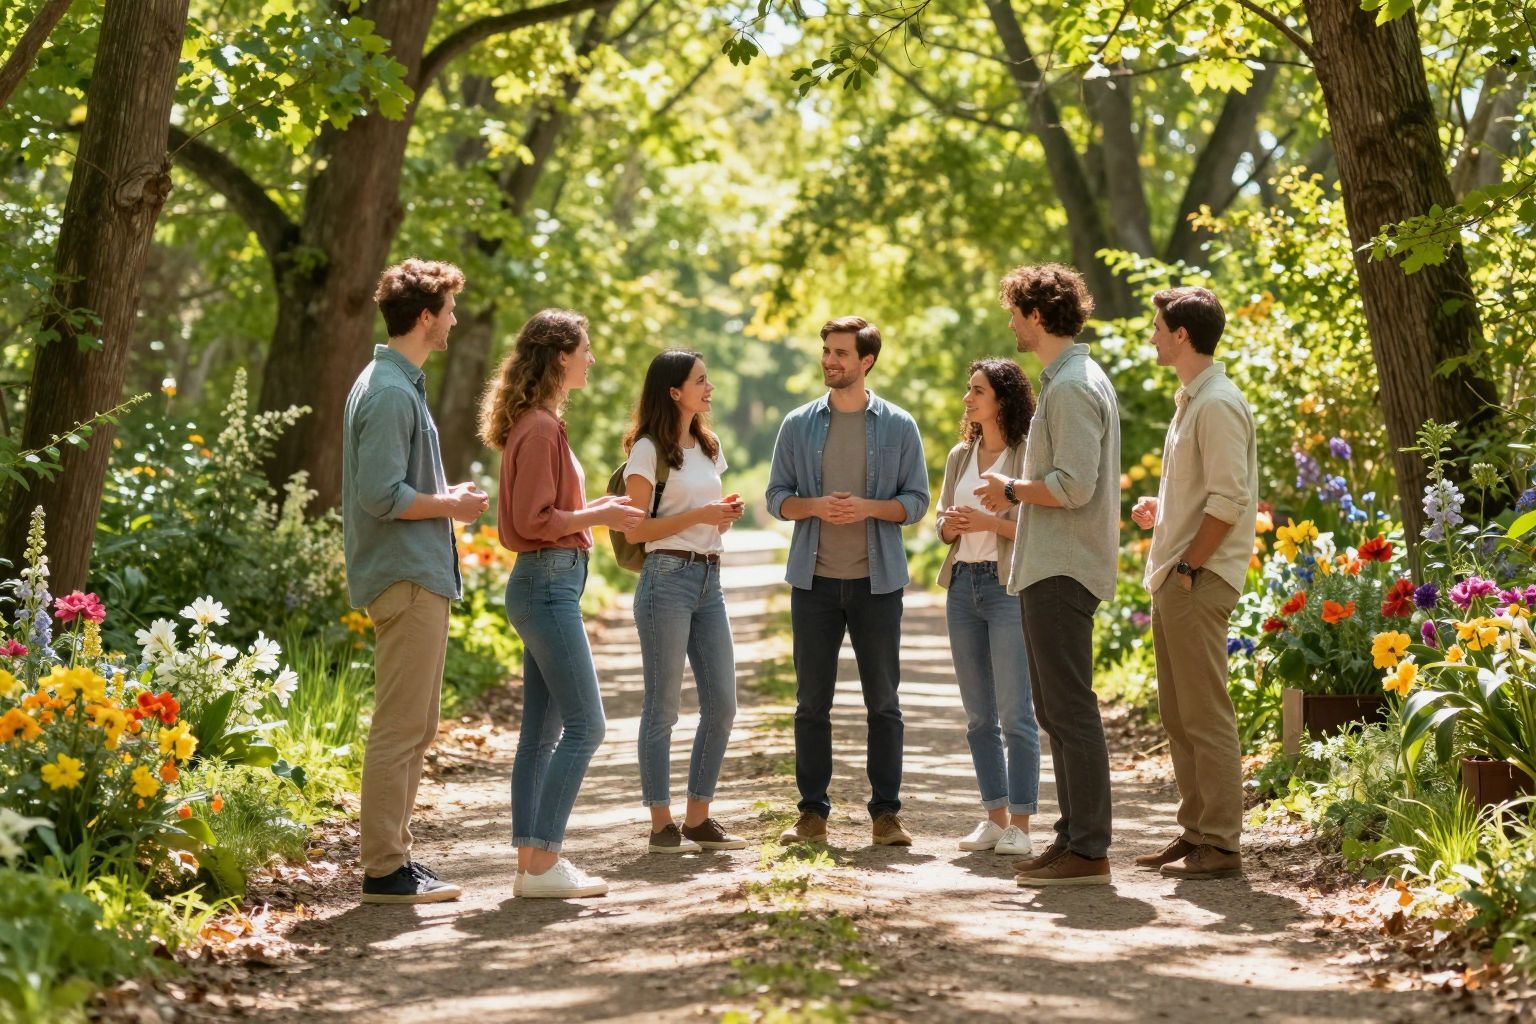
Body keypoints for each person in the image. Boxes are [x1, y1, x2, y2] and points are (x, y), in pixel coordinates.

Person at [480, 308, 645, 899]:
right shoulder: (542, 427)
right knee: (587, 725)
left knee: (542, 734)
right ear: (559, 357)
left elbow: (539, 514)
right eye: (585, 349)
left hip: (547, 583)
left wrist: (594, 513)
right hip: (548, 584)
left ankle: (531, 868)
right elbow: (533, 520)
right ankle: (546, 860)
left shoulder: (539, 422)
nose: (591, 359)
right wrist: (599, 514)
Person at [344, 258, 488, 904]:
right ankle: (382, 868)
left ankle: (396, 858)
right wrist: (450, 505)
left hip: (416, 577)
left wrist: (442, 495)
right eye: (450, 309)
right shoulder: (390, 390)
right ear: (425, 317)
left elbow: (399, 487)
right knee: (400, 726)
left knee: (419, 726)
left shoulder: (398, 384)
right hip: (404, 579)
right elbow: (380, 495)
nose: (455, 319)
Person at [976, 263, 1121, 887]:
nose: (1010, 322)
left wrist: (1011, 488)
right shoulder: (1067, 379)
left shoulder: (1072, 386)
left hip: (1064, 566)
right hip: (1050, 564)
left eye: (1015, 311)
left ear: (1037, 315)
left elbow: (1075, 485)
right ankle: (1071, 837)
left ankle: (1089, 849)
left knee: (1069, 707)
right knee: (1055, 708)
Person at [766, 316, 930, 847]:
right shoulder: (797, 424)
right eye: (827, 352)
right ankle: (812, 813)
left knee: (884, 702)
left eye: (841, 353)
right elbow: (776, 498)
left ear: (867, 361)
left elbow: (916, 503)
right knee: (812, 703)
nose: (830, 361)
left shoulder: (900, 425)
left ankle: (886, 814)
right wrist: (815, 506)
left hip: (877, 584)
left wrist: (867, 509)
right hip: (812, 583)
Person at [1130, 286, 1257, 880]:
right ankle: (1197, 831)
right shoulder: (1193, 399)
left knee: (1205, 713)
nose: (1151, 336)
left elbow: (1229, 503)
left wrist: (1187, 567)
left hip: (1197, 580)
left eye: (1157, 327)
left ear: (1181, 334)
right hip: (1179, 575)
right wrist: (1167, 508)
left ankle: (1223, 844)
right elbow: (1207, 493)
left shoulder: (1217, 403)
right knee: (1179, 714)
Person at [620, 350, 748, 854]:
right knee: (663, 708)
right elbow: (638, 527)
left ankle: (698, 818)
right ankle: (660, 823)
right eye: (700, 380)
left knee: (722, 706)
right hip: (665, 579)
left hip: (708, 581)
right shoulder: (647, 449)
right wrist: (702, 514)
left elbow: (702, 514)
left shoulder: (708, 444)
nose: (709, 387)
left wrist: (719, 516)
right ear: (674, 391)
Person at [936, 359, 1040, 856]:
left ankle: (1021, 823)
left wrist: (988, 524)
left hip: (1006, 590)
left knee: (1015, 711)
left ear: (1002, 398)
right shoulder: (961, 455)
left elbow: (1039, 531)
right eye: (968, 389)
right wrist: (952, 527)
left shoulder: (1025, 457)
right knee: (978, 715)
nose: (967, 398)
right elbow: (941, 522)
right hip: (962, 587)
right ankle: (994, 817)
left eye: (976, 390)